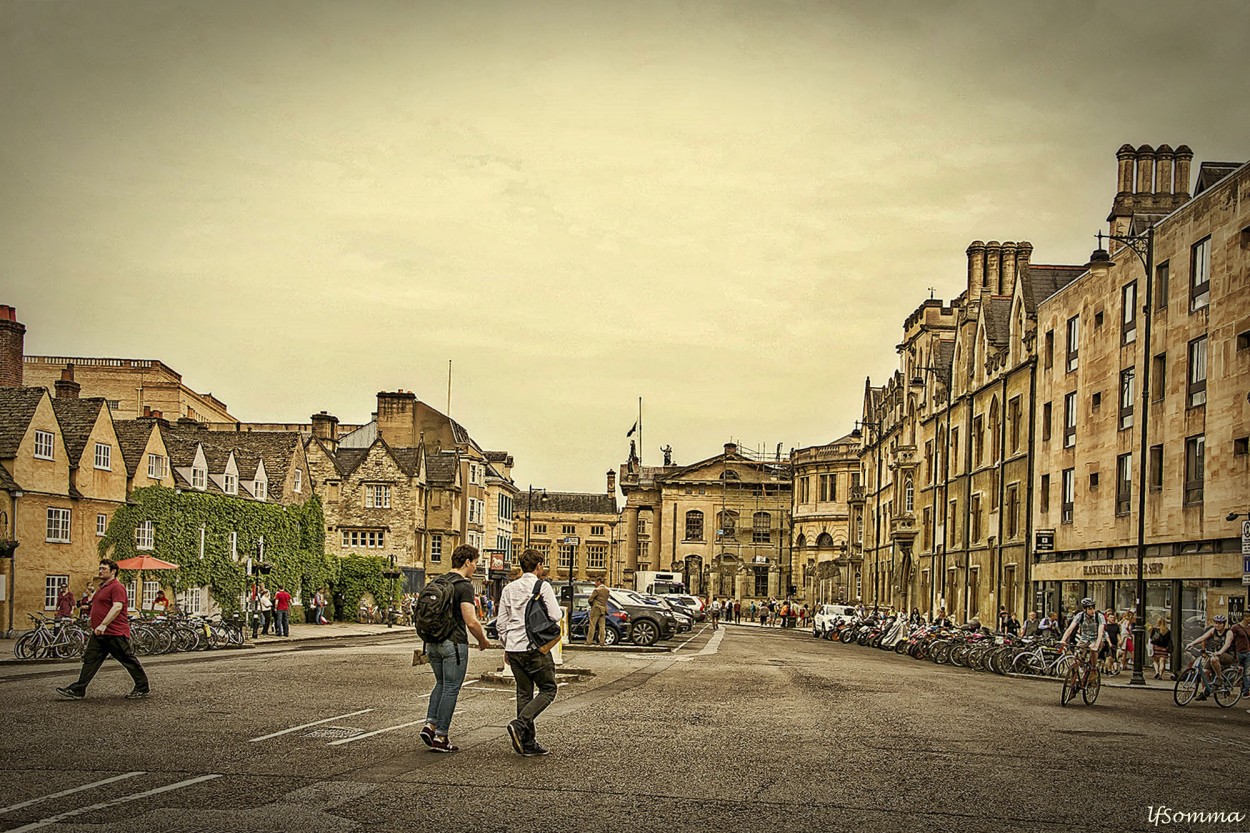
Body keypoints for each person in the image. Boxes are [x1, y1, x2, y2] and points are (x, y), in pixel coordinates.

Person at [419, 545, 490, 753]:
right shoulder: (463, 586)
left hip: (432, 642)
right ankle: (441, 737)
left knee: (440, 683)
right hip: (454, 644)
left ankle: (430, 725)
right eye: (475, 562)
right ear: (467, 562)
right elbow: (471, 621)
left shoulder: (437, 581)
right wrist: (482, 641)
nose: (476, 566)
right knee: (451, 687)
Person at [496, 548, 562, 757]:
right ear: (539, 566)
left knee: (524, 693)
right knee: (548, 689)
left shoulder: (509, 588)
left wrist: (506, 646)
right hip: (534, 647)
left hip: (514, 648)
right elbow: (555, 615)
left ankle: (527, 742)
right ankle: (520, 724)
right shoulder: (542, 586)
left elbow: (501, 622)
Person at [56, 560, 150, 700]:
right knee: (90, 660)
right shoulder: (101, 587)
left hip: (114, 632)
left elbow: (117, 607)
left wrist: (104, 624)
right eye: (99, 568)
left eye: (104, 569)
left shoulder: (117, 587)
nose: (100, 571)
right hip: (100, 633)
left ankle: (142, 687)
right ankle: (78, 689)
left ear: (113, 571)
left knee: (127, 659)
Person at [1185, 614, 1234, 701]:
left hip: (1227, 655)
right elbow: (1202, 638)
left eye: (1220, 623)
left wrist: (1220, 652)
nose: (1217, 625)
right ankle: (1205, 691)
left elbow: (1227, 644)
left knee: (1213, 659)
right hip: (1214, 654)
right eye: (1216, 623)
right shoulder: (1213, 630)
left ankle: (1219, 679)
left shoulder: (1228, 632)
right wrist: (1192, 644)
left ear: (1224, 624)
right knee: (1204, 672)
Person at [1059, 598, 1106, 667]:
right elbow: (1070, 629)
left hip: (1097, 639)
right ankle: (1076, 671)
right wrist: (1063, 640)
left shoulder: (1099, 616)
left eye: (1093, 608)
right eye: (1090, 609)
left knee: (1093, 650)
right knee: (1077, 656)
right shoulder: (1080, 615)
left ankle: (1093, 669)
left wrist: (1096, 645)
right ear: (1084, 609)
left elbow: (1101, 632)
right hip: (1084, 639)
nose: (1092, 610)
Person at [1231, 611, 1250, 697]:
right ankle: (1228, 688)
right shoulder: (1235, 627)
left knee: (1247, 672)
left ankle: (1245, 691)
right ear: (1245, 617)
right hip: (1238, 652)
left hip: (1247, 652)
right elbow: (1231, 639)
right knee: (1234, 671)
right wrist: (1233, 652)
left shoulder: (1249, 628)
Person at [587, 577, 610, 646]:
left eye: (596, 582)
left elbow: (590, 599)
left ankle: (589, 641)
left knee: (592, 625)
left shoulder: (596, 590)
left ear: (599, 582)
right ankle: (602, 641)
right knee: (602, 626)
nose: (595, 583)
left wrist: (592, 605)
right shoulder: (607, 590)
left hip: (596, 608)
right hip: (603, 609)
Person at [1148, 616, 1172, 680]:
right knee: (1162, 662)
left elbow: (1151, 638)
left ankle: (1157, 672)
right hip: (1164, 648)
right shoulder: (1168, 631)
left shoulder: (1155, 629)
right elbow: (1169, 640)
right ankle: (1161, 675)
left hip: (1156, 647)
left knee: (1155, 661)